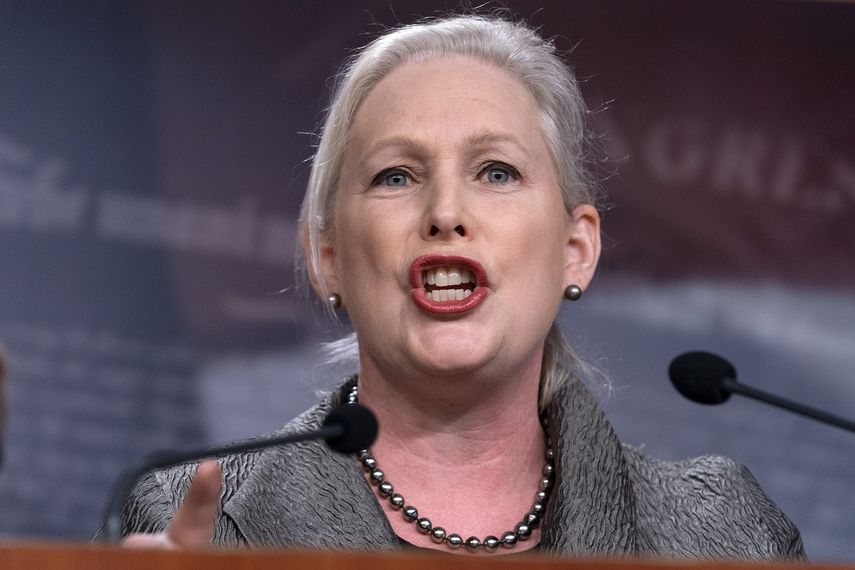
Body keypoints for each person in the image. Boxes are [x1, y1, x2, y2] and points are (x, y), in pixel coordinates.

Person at [118, 15, 804, 558]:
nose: (445, 213)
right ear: (327, 256)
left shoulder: (723, 532)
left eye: (496, 172)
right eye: (396, 176)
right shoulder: (190, 520)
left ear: (575, 250)